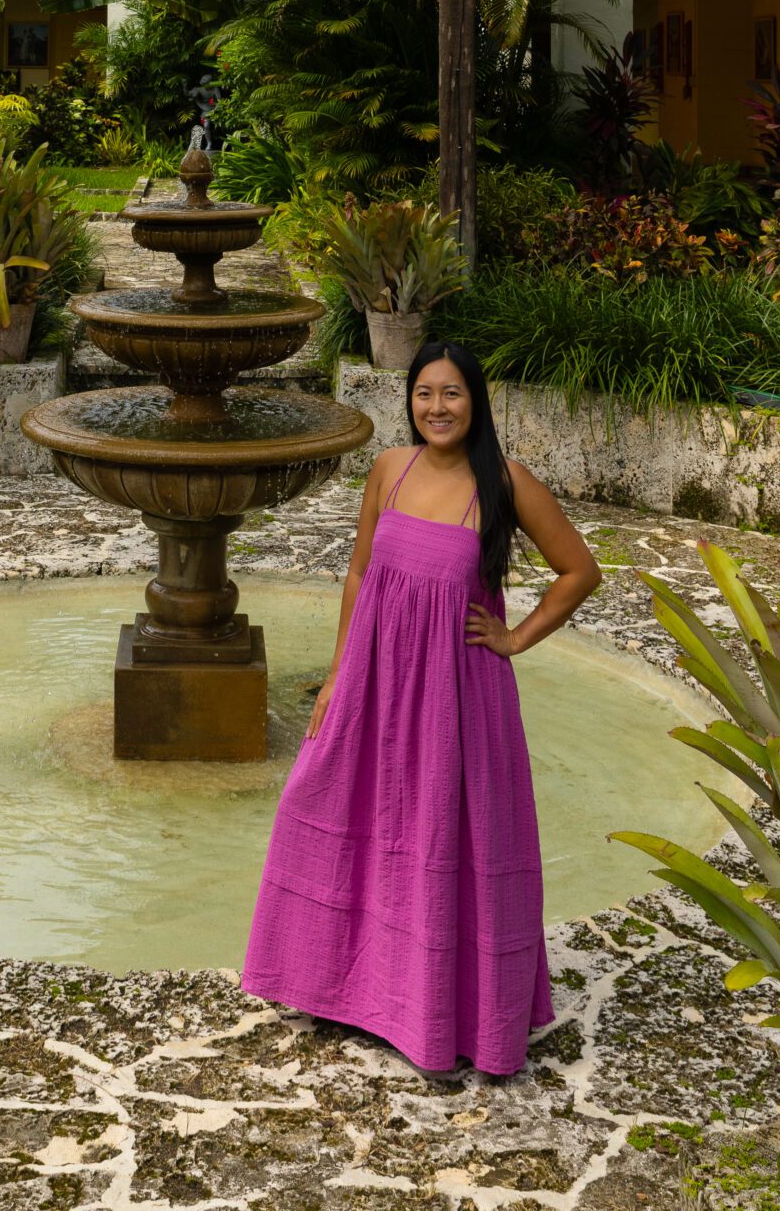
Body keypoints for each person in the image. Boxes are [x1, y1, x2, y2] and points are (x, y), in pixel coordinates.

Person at [241, 339, 602, 1076]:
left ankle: (441, 1012)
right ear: (409, 402)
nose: (436, 408)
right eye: (424, 394)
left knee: (444, 838)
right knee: (334, 808)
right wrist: (338, 676)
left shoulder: (503, 482)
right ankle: (337, 984)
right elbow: (357, 572)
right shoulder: (387, 470)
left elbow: (578, 571)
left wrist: (514, 637)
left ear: (476, 402)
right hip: (375, 683)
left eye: (451, 394)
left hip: (458, 697)